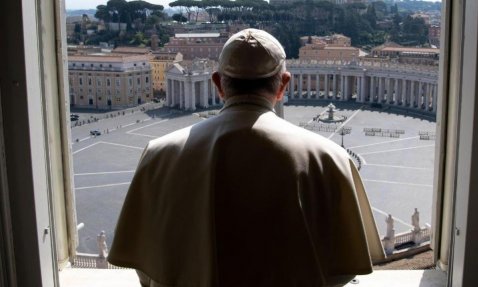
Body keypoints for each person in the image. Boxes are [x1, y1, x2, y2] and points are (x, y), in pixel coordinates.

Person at [108, 28, 384, 287]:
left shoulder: (158, 154)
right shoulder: (331, 158)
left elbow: (146, 270)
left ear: (217, 83)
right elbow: (344, 269)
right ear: (283, 86)